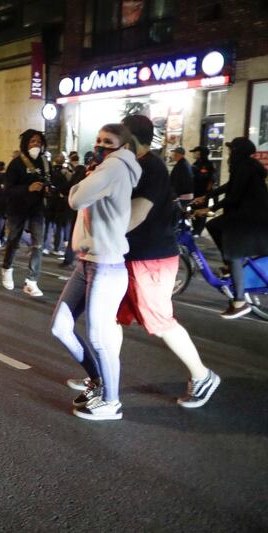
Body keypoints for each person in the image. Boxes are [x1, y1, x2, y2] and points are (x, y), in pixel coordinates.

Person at [88, 114, 221, 408]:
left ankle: (203, 375)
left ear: (131, 140)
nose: (112, 146)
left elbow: (134, 216)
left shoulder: (151, 168)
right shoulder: (129, 165)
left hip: (151, 258)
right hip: (128, 256)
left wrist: (97, 232)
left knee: (160, 321)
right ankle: (104, 378)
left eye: (119, 139)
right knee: (111, 317)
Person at [50, 123, 141, 421]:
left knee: (99, 337)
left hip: (106, 265)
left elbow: (75, 198)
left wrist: (82, 182)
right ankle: (98, 381)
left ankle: (111, 402)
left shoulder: (113, 168)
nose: (101, 145)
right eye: (99, 139)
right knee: (61, 326)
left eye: (109, 141)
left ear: (123, 146)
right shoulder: (105, 169)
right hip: (87, 261)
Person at [193, 137, 268, 319]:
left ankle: (240, 302)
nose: (228, 153)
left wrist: (210, 208)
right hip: (247, 217)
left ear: (238, 151)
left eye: (230, 150)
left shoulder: (244, 166)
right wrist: (207, 196)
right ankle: (229, 266)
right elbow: (230, 187)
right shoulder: (245, 165)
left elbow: (234, 196)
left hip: (250, 221)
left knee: (234, 252)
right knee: (213, 225)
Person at [1, 129, 51, 297]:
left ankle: (31, 281)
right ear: (25, 144)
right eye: (32, 141)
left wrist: (48, 189)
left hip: (36, 209)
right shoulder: (16, 164)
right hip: (17, 209)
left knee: (38, 244)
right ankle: (7, 268)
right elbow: (8, 189)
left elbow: (49, 180)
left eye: (39, 142)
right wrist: (27, 188)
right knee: (14, 240)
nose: (36, 144)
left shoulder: (45, 162)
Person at [60, 152, 86, 268]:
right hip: (80, 208)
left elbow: (69, 187)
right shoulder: (86, 174)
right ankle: (72, 258)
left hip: (74, 207)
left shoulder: (77, 174)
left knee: (73, 233)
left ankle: (69, 258)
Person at [44, 152, 71, 256]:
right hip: (60, 202)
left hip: (51, 200)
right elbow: (69, 185)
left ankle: (46, 247)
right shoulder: (66, 173)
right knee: (59, 226)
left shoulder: (49, 172)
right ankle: (57, 248)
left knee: (48, 224)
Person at [189, 146, 216, 236]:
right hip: (195, 192)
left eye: (195, 152)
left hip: (202, 193)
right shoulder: (195, 164)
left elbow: (211, 180)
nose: (193, 153)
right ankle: (195, 229)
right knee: (194, 210)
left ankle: (198, 230)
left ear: (200, 153)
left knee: (201, 212)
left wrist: (206, 194)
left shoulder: (208, 164)